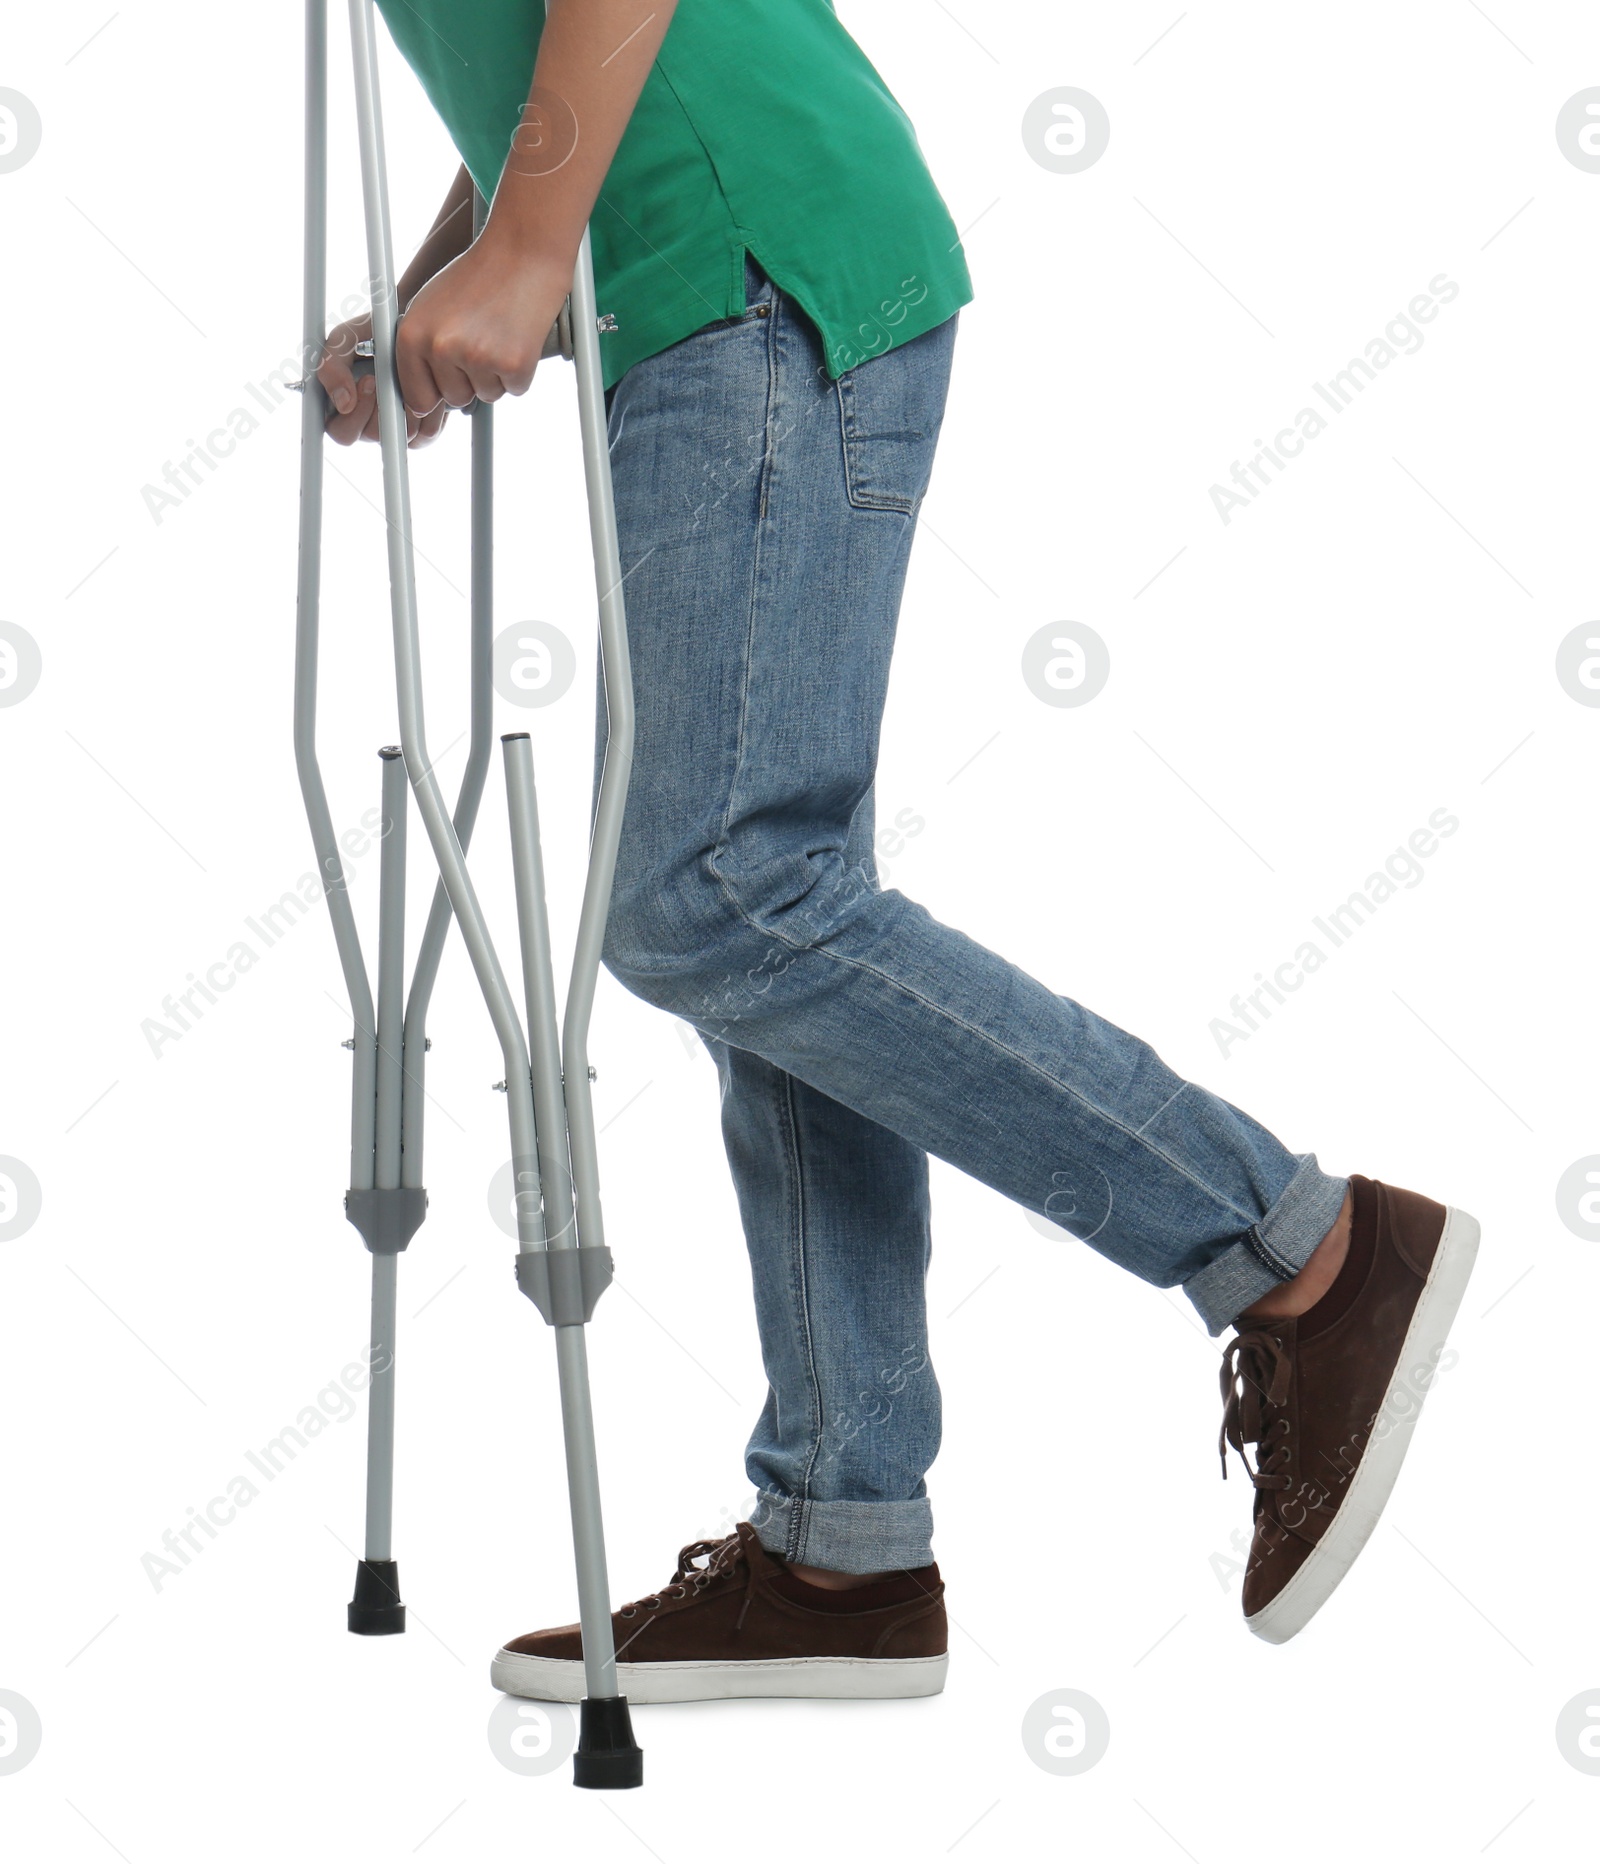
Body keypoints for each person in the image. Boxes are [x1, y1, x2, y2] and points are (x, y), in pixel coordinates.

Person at [316, 0, 1479, 1704]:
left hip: (757, 275)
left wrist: (532, 245)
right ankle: (841, 1550)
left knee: (718, 897)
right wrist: (478, 257)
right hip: (712, 285)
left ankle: (1303, 1253)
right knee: (772, 920)